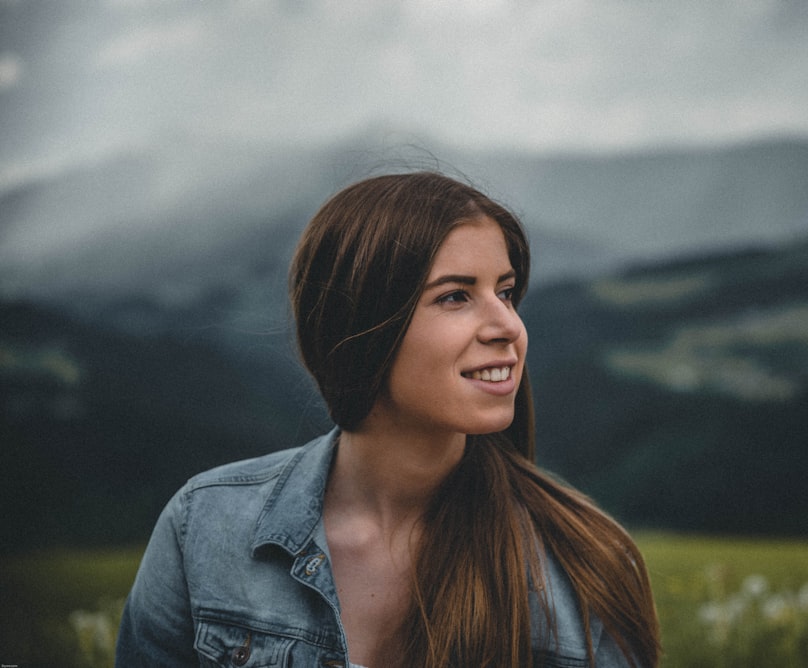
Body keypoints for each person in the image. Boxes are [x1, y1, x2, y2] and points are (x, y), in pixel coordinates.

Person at [116, 171, 661, 667]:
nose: (508, 327)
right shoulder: (206, 528)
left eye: (506, 292)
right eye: (454, 297)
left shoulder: (583, 565)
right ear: (361, 328)